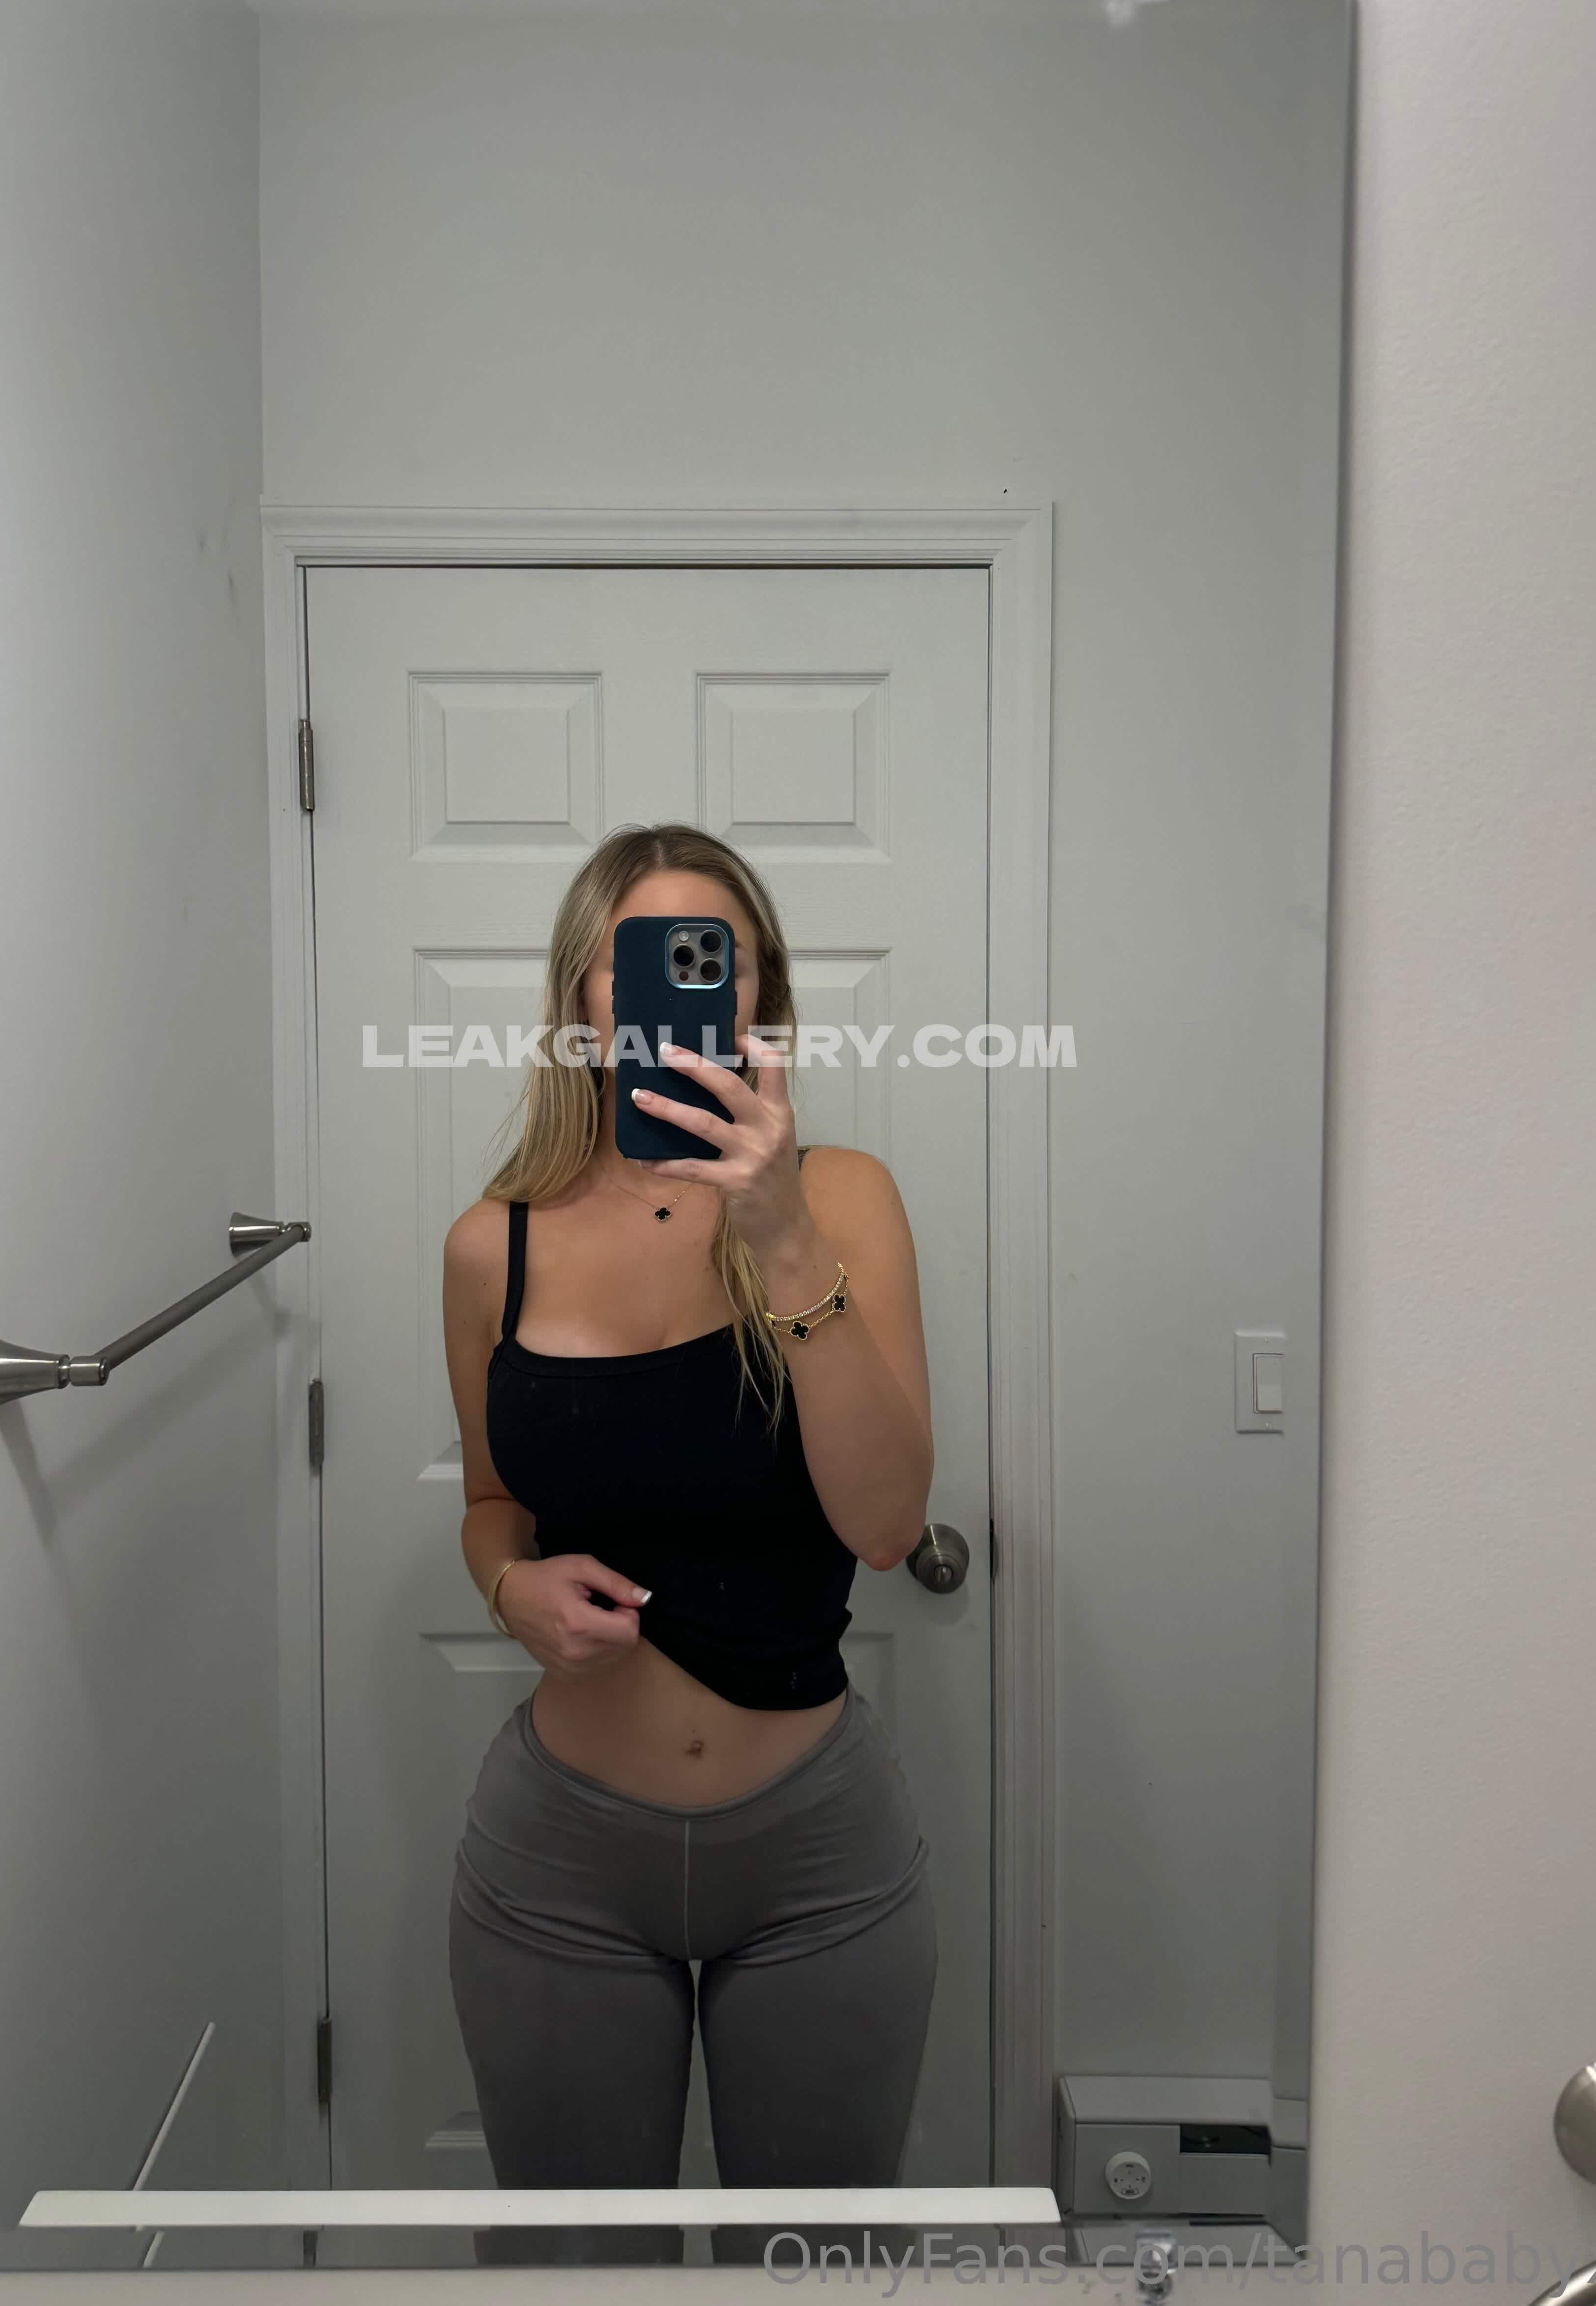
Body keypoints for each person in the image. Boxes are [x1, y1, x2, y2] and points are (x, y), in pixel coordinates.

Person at [443, 822, 938, 2267]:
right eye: (639, 960)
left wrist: (778, 1233)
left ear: (758, 993)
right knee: (579, 2277)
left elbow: (888, 1524)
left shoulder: (843, 1200)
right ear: (583, 998)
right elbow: (488, 1503)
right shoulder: (492, 1244)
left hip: (820, 1856)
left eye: (715, 959)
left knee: (822, 2273)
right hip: (558, 1864)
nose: (678, 989)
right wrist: (509, 1586)